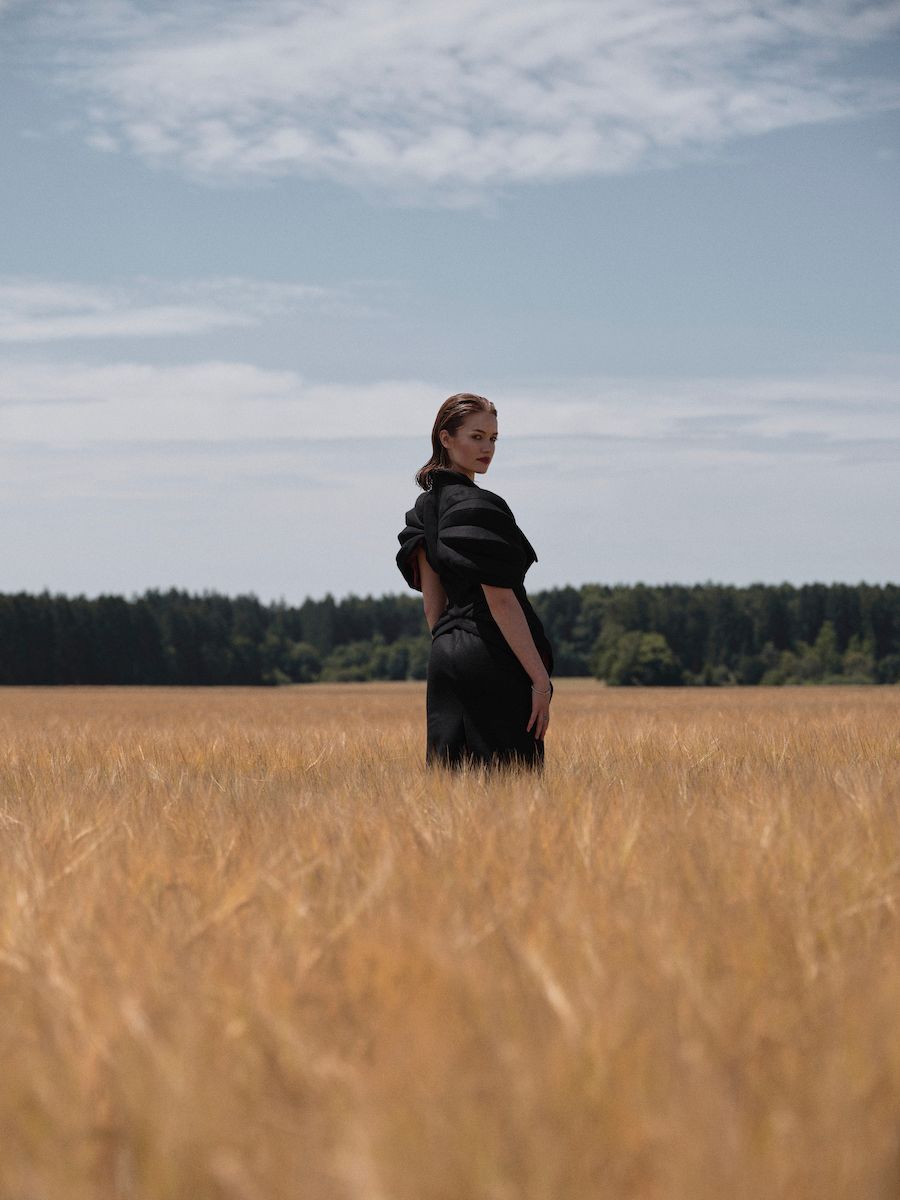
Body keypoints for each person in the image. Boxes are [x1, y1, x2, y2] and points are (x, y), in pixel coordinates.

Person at [396, 392, 555, 772]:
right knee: (512, 783)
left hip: (445, 656)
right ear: (445, 439)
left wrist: (452, 647)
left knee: (450, 784)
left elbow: (433, 603)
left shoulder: (424, 510)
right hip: (491, 655)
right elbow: (500, 601)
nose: (488, 448)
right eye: (477, 436)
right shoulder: (480, 506)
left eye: (494, 439)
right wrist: (540, 681)